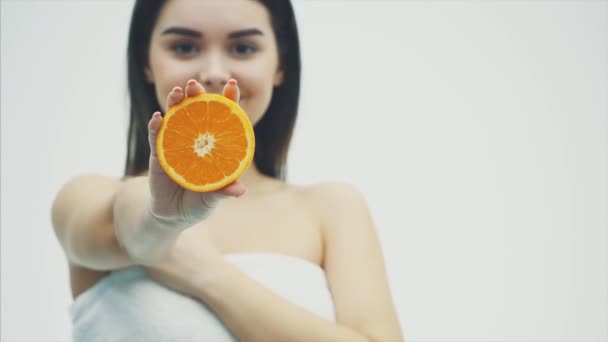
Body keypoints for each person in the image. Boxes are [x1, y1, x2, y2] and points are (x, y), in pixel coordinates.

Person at [51, 0, 404, 341]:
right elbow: (126, 224)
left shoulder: (333, 208)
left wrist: (207, 274)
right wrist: (164, 220)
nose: (215, 73)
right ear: (146, 61)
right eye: (185, 47)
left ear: (280, 65)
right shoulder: (85, 197)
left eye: (244, 48)